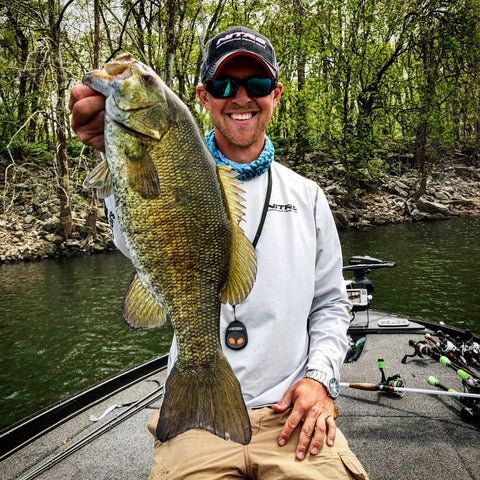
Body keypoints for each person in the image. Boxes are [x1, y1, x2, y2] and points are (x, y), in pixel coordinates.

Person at [70, 26, 369, 480]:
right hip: (194, 419)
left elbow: (331, 304)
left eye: (258, 85)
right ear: (204, 97)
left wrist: (320, 381)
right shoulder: (166, 156)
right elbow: (132, 235)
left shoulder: (308, 196)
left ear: (276, 96)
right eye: (225, 85)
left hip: (291, 413)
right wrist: (110, 155)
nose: (241, 97)